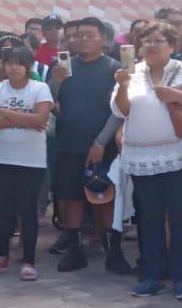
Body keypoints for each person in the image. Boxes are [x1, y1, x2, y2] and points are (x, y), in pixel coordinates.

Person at [111, 21, 182, 301]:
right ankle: (153, 276)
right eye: (147, 40)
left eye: (159, 41)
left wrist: (174, 94)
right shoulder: (130, 73)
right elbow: (121, 111)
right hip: (143, 157)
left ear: (173, 46)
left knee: (181, 217)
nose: (152, 45)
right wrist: (121, 86)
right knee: (150, 218)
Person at [46, 18, 128, 273]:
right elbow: (48, 101)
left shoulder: (114, 69)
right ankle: (74, 249)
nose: (81, 40)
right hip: (69, 142)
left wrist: (100, 142)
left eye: (89, 35)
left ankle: (112, 251)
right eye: (78, 35)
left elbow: (118, 111)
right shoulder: (62, 66)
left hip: (102, 146)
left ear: (104, 39)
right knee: (71, 198)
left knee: (104, 198)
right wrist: (56, 81)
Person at [0, 45, 53, 280]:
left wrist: (7, 112)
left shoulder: (40, 88)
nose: (13, 67)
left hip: (31, 161)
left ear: (28, 66)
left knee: (28, 210)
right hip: (2, 159)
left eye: (18, 63)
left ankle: (29, 261)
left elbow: (42, 118)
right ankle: (1, 258)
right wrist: (27, 119)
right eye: (8, 62)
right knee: (4, 209)